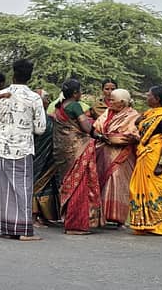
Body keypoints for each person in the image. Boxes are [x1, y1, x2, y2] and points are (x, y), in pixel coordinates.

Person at [0, 59, 46, 241]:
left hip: (2, 147)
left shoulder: (0, 95)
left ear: (13, 73)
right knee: (23, 187)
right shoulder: (34, 98)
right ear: (30, 76)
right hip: (23, 148)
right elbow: (40, 128)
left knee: (4, 187)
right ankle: (22, 229)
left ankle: (5, 226)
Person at [52, 79, 103, 235]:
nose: (81, 94)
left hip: (63, 152)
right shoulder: (75, 106)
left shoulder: (59, 107)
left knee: (69, 184)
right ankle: (76, 225)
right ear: (75, 93)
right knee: (79, 185)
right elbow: (86, 128)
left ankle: (70, 220)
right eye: (80, 91)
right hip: (78, 150)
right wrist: (98, 132)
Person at [128, 86, 162, 235]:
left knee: (157, 191)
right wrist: (139, 119)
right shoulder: (150, 114)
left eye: (149, 96)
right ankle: (145, 223)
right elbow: (138, 123)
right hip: (146, 156)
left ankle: (161, 226)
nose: (146, 98)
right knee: (139, 189)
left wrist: (160, 164)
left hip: (157, 158)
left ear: (157, 99)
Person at [92, 88, 139, 226]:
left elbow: (133, 136)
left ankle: (120, 218)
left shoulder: (133, 115)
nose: (110, 102)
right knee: (103, 182)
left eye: (113, 100)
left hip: (122, 156)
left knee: (118, 181)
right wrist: (105, 137)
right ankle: (103, 216)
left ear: (122, 102)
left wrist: (114, 139)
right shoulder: (108, 113)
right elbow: (97, 127)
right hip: (104, 153)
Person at [32, 90, 59, 226]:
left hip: (49, 158)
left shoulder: (50, 118)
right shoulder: (32, 118)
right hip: (37, 157)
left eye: (48, 99)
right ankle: (33, 215)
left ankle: (44, 215)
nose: (48, 101)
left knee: (47, 184)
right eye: (45, 98)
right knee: (35, 182)